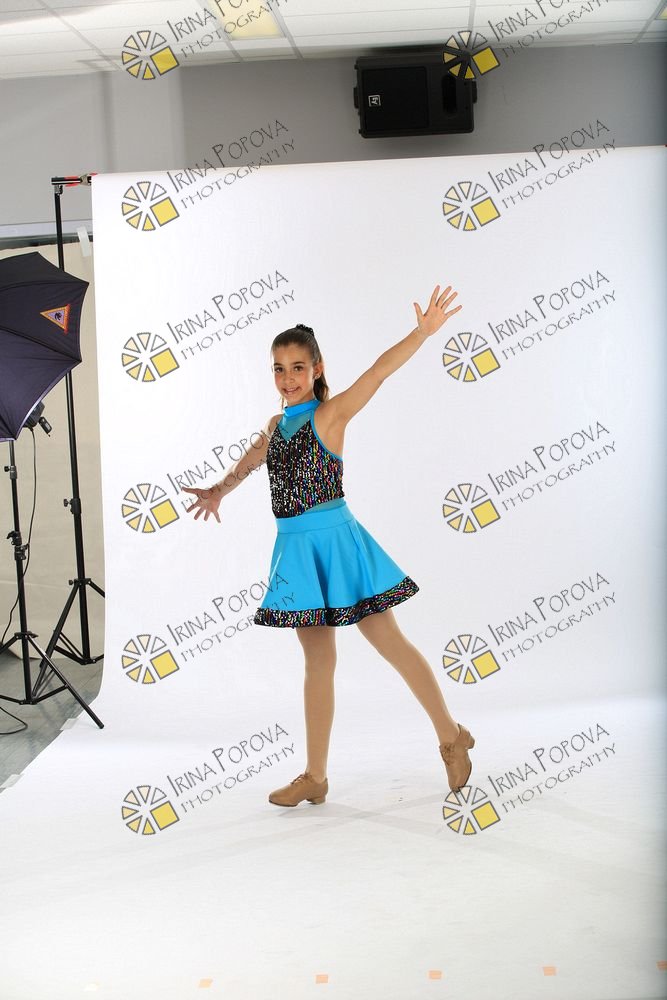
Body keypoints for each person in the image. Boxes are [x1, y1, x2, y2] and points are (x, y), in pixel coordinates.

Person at [183, 284, 475, 808]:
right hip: (296, 552)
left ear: (316, 369)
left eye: (297, 367)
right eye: (279, 369)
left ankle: (452, 736)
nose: (287, 378)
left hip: (337, 546)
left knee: (390, 643)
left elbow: (377, 373)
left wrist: (422, 333)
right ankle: (315, 776)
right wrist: (218, 490)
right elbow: (249, 464)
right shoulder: (276, 426)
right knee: (317, 661)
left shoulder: (330, 414)